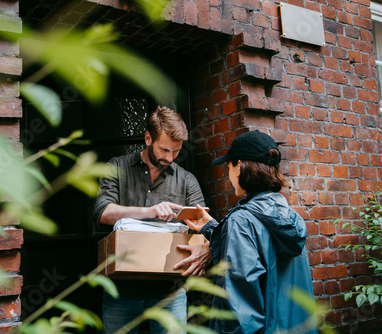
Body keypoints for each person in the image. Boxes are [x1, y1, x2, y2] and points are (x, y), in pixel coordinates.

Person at [183, 130, 318, 334]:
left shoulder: (240, 222)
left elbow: (239, 313)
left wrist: (227, 229)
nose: (227, 175)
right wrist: (213, 228)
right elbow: (266, 251)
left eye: (228, 166)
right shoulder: (289, 217)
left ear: (239, 166)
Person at [93, 106, 211, 334]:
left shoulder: (187, 181)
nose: (170, 157)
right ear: (148, 138)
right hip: (121, 291)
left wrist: (206, 249)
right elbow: (102, 212)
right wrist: (149, 212)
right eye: (165, 149)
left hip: (170, 293)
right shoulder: (117, 167)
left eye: (176, 152)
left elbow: (206, 227)